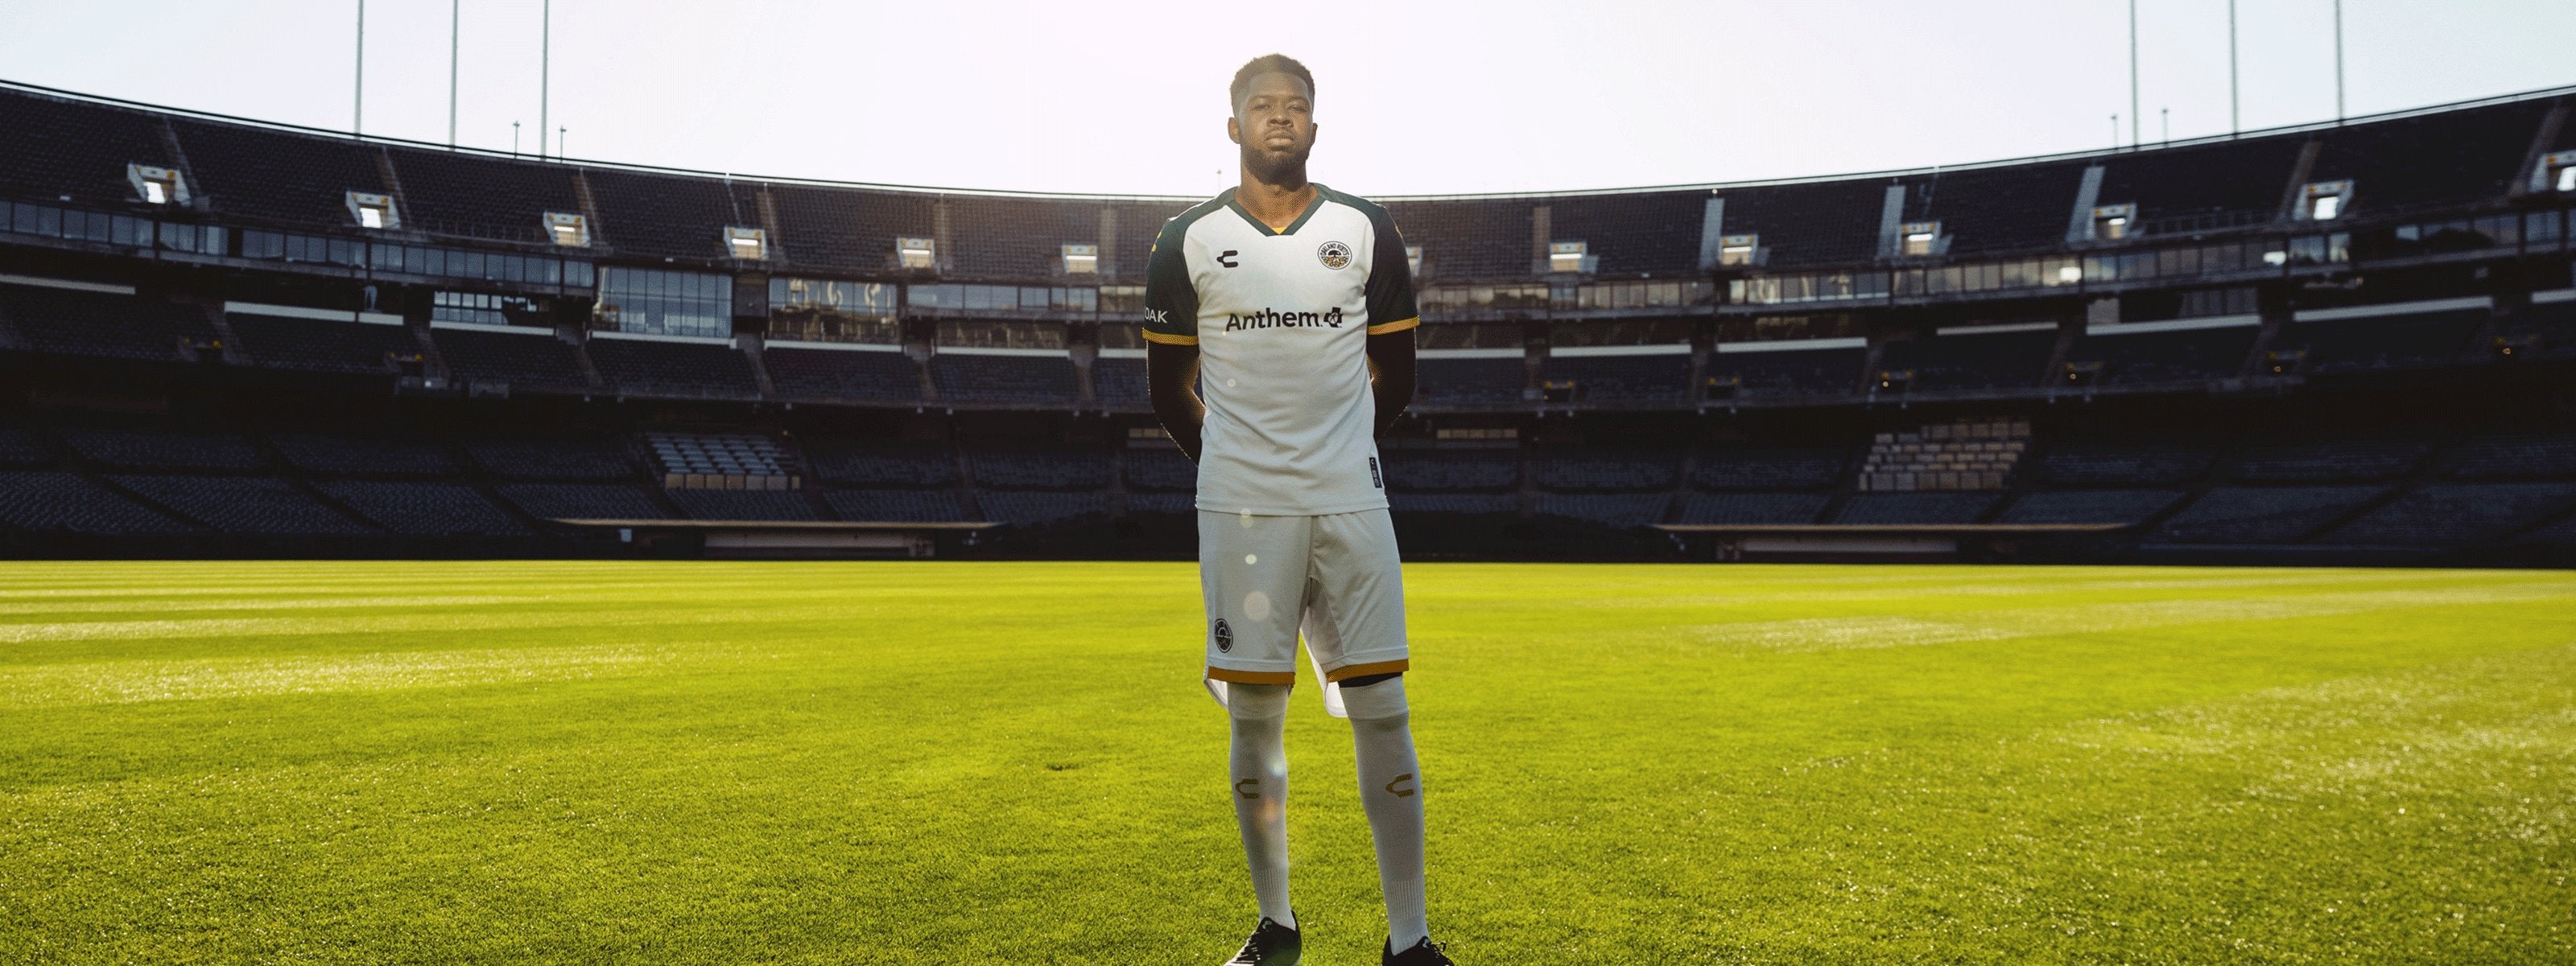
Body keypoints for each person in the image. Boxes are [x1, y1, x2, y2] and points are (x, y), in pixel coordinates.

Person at [1144, 53, 1452, 966]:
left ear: (1314, 127)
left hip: (1351, 501)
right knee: (1251, 718)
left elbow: (1394, 379)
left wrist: (1331, 456)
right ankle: (1276, 927)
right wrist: (1245, 474)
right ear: (1232, 127)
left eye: (1296, 107)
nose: (1279, 119)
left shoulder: (1365, 229)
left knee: (1384, 707)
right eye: (1260, 107)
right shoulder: (1186, 240)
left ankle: (1410, 942)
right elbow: (1169, 391)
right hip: (1242, 514)